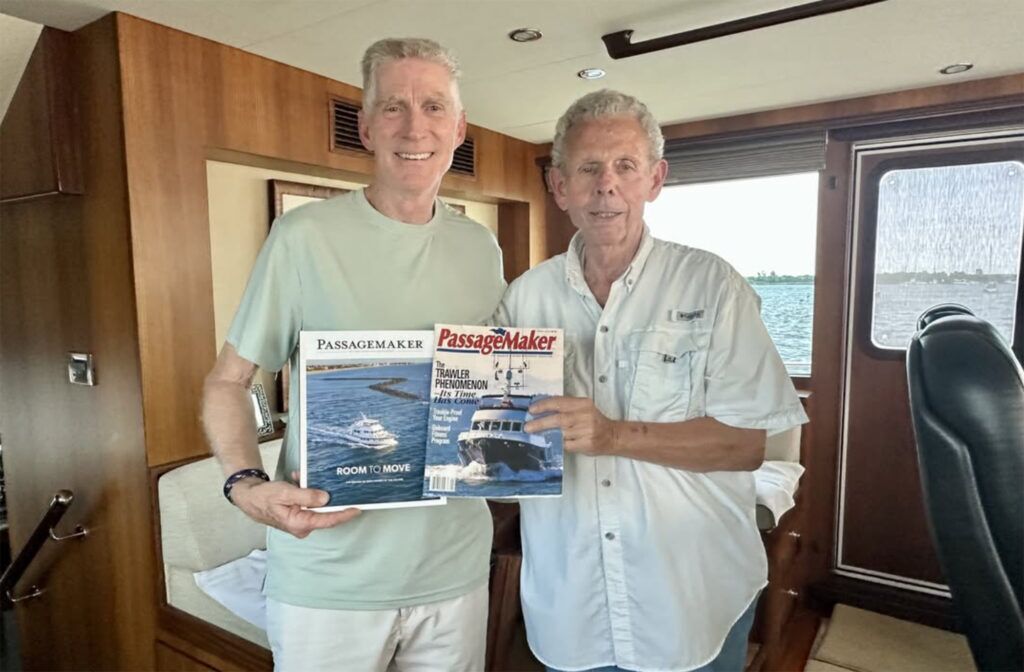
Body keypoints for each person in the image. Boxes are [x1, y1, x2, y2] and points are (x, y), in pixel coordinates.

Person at [201, 38, 505, 671]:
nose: (414, 126)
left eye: (433, 106)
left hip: (454, 571)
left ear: (459, 126)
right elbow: (227, 382)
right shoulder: (303, 237)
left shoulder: (482, 250)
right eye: (392, 107)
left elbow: (487, 389)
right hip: (329, 579)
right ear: (365, 128)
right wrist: (244, 483)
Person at [494, 89, 808, 672]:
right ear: (559, 186)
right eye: (587, 168)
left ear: (655, 179)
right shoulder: (524, 298)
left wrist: (613, 435)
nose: (605, 185)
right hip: (571, 605)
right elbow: (492, 434)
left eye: (624, 166)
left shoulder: (713, 286)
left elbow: (746, 446)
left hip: (689, 602)